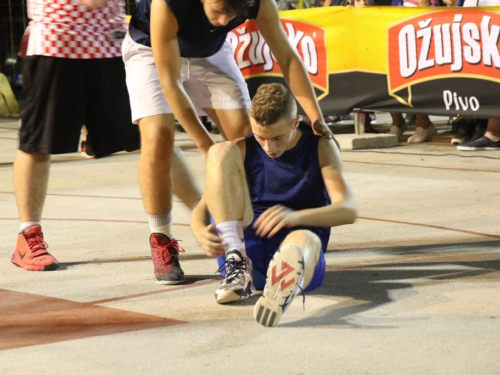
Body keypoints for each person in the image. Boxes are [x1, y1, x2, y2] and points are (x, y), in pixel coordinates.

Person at [123, 0, 334, 285]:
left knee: (247, 136)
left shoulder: (258, 2)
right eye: (219, 10)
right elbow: (169, 82)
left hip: (210, 52)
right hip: (151, 49)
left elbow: (287, 58)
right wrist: (206, 147)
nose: (224, 21)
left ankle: (250, 232)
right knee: (158, 136)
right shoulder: (168, 4)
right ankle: (161, 237)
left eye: (232, 13)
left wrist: (315, 116)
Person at [190, 83, 356, 327]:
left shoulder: (320, 147)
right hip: (247, 247)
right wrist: (198, 230)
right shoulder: (244, 149)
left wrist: (295, 217)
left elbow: (348, 209)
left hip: (298, 245)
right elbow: (202, 209)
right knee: (220, 150)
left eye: (278, 138)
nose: (269, 148)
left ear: (296, 122)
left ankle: (281, 287)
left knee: (304, 239)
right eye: (261, 138)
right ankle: (238, 267)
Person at [11, 0, 141, 271]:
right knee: (37, 144)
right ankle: (28, 236)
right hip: (56, 42)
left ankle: (202, 222)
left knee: (153, 136)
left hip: (109, 44)